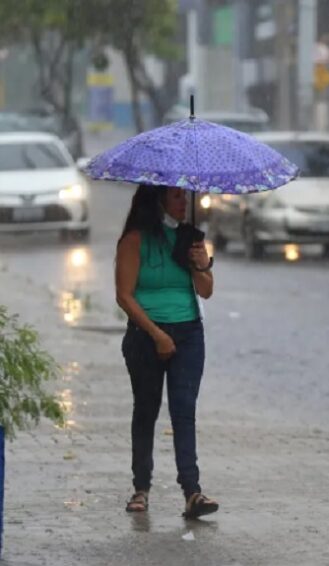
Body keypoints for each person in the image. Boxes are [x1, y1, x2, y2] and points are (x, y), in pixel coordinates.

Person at [115, 184, 219, 519]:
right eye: (176, 196)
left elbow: (206, 292)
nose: (183, 203)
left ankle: (192, 492)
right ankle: (140, 488)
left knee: (184, 411)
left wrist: (201, 265)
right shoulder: (134, 240)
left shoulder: (189, 239)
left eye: (185, 197)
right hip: (146, 336)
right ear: (157, 200)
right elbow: (124, 295)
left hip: (189, 335)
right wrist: (157, 334)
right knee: (146, 410)